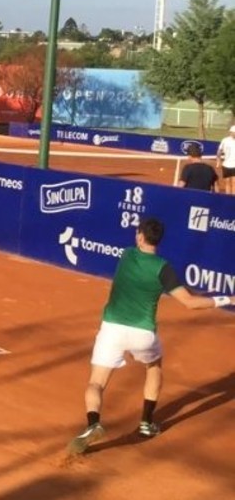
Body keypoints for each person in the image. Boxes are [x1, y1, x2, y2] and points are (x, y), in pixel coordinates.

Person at [66, 217, 231, 455]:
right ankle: (146, 423)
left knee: (96, 383)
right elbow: (190, 303)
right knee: (154, 366)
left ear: (141, 236)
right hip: (143, 334)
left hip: (112, 329)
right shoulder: (164, 268)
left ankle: (93, 424)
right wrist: (228, 299)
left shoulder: (127, 255)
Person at [218, 126, 235, 195]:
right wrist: (218, 161)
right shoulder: (225, 140)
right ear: (230, 133)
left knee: (234, 182)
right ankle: (228, 197)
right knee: (227, 182)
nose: (233, 134)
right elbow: (219, 150)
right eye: (233, 133)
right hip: (226, 165)